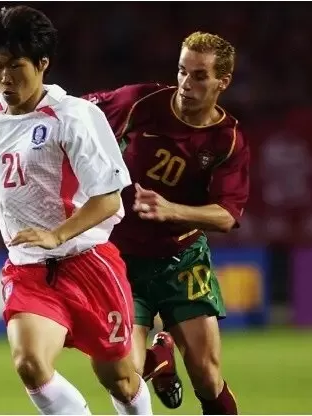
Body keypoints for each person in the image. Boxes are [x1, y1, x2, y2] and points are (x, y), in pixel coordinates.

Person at [0, 6, 153, 415]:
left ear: (42, 64)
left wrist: (57, 234)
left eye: (16, 66)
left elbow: (109, 200)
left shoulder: (74, 116)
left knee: (122, 380)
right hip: (29, 269)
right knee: (30, 364)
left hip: (87, 262)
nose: (5, 77)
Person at [83, 31, 249, 415]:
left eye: (199, 76)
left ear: (222, 82)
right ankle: (159, 359)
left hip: (183, 258)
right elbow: (78, 113)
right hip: (121, 261)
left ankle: (165, 356)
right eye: (182, 71)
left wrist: (172, 210)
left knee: (207, 377)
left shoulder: (227, 141)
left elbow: (226, 215)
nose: (186, 84)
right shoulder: (140, 102)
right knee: (124, 374)